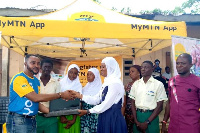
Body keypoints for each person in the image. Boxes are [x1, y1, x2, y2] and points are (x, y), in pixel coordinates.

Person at [6, 54, 72, 133]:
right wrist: (60, 95)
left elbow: (36, 102)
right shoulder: (19, 78)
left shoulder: (36, 81)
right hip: (19, 119)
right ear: (25, 64)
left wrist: (53, 112)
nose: (36, 65)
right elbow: (35, 97)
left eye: (38, 63)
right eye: (33, 63)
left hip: (32, 119)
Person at [72, 57, 127, 133]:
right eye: (101, 67)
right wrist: (80, 96)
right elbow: (97, 99)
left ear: (110, 67)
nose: (101, 69)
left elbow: (106, 104)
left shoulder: (115, 83)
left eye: (103, 67)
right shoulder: (107, 82)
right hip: (104, 115)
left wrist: (88, 111)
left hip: (113, 117)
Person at [161, 53, 200, 133]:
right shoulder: (172, 81)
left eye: (183, 63)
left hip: (191, 126)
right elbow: (169, 102)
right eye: (178, 63)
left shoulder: (197, 81)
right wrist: (164, 122)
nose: (179, 65)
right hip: (174, 126)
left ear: (190, 65)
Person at [129, 60, 168, 133]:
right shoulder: (136, 84)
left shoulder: (158, 84)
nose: (143, 69)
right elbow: (132, 103)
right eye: (142, 67)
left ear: (152, 69)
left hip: (151, 117)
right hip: (138, 115)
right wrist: (136, 120)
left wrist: (147, 122)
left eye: (146, 67)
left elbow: (160, 106)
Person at [36, 59, 61, 133]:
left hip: (51, 118)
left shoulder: (56, 83)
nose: (47, 69)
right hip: (37, 117)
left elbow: (58, 100)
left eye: (49, 67)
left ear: (51, 68)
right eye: (45, 67)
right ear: (41, 67)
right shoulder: (35, 81)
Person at [58, 64, 82, 133]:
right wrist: (62, 116)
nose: (72, 75)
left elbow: (78, 102)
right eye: (71, 72)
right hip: (61, 114)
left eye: (75, 73)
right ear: (67, 72)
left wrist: (73, 119)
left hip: (74, 115)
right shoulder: (61, 83)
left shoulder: (78, 85)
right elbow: (58, 99)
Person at [81, 68, 102, 133]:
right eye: (87, 74)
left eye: (91, 74)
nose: (88, 76)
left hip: (95, 116)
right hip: (84, 115)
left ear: (96, 76)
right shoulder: (84, 88)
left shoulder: (100, 89)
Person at [124, 65, 141, 133]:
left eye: (133, 71)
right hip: (128, 113)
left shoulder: (142, 84)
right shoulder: (127, 85)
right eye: (129, 72)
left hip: (138, 112)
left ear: (139, 73)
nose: (130, 73)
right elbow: (124, 100)